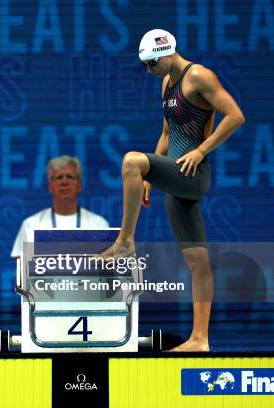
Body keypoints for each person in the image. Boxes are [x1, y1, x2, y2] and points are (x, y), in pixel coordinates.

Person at [97, 29, 245, 351]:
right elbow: (167, 133)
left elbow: (235, 116)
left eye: (151, 62)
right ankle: (200, 340)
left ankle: (125, 242)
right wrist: (151, 176)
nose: (149, 70)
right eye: (144, 65)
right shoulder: (166, 83)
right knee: (198, 263)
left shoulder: (199, 77)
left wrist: (202, 150)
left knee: (130, 161)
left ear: (167, 51)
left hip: (193, 174)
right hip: (176, 179)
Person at [11, 155, 109, 258]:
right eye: (59, 177)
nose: (64, 182)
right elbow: (22, 268)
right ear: (50, 186)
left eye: (70, 177)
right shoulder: (31, 225)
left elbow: (106, 267)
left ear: (79, 185)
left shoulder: (98, 225)